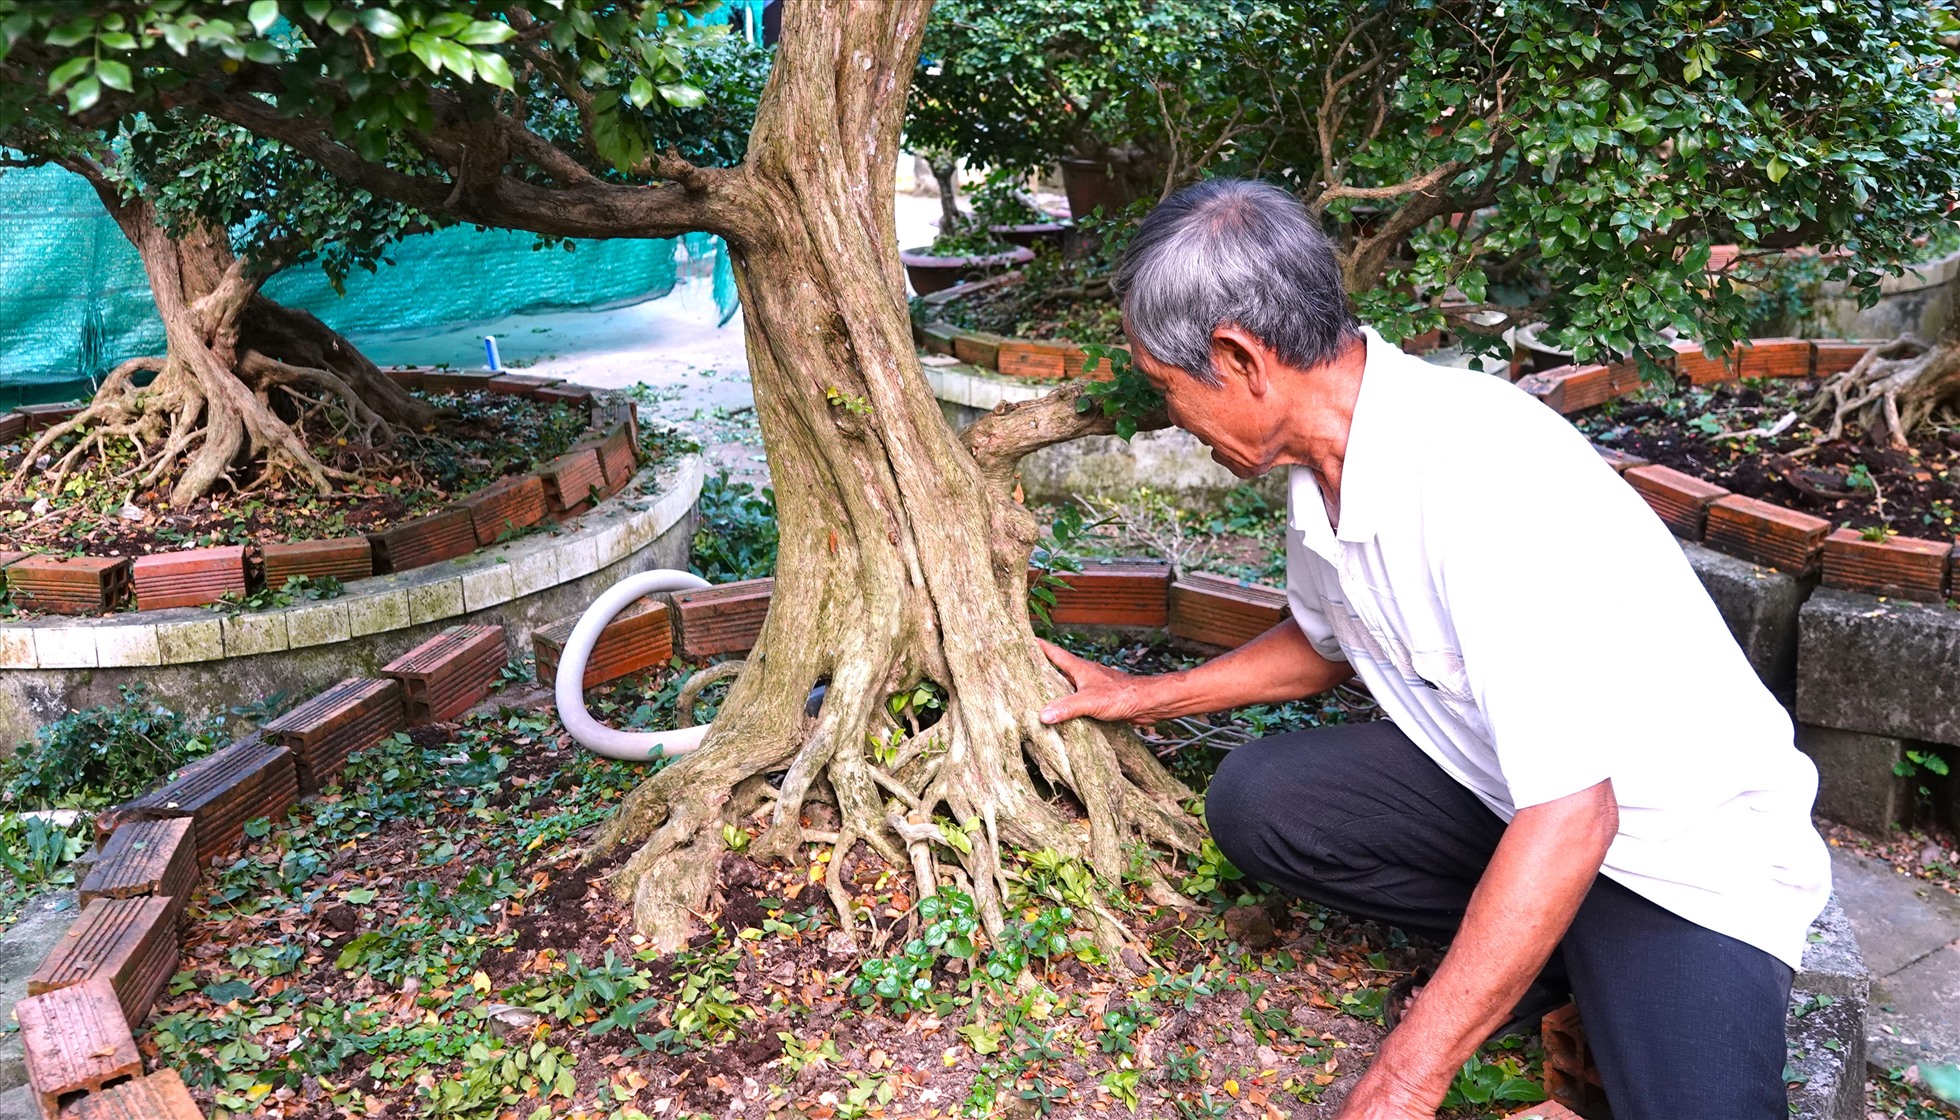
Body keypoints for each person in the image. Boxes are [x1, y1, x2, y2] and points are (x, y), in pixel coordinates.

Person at [1035, 179, 1829, 1120]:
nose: (1174, 418)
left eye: (1169, 390)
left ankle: (1574, 955)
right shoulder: (1324, 458)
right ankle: (1549, 954)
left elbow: (1578, 814)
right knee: (1264, 801)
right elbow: (1329, 641)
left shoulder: (1476, 476)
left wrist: (1407, 1078)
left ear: (1239, 357)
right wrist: (1143, 696)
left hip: (1675, 848)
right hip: (1513, 794)